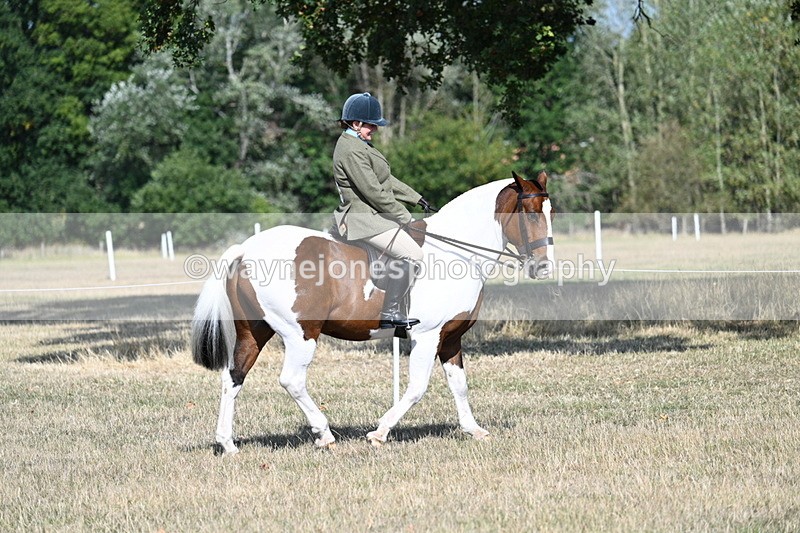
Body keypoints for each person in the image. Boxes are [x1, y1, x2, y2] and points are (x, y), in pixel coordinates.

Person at [332, 92, 433, 329]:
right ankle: (390, 313)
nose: (375, 130)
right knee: (413, 255)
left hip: (372, 215)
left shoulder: (358, 144)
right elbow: (373, 192)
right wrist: (405, 217)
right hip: (363, 218)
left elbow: (386, 180)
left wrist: (416, 198)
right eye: (371, 125)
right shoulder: (351, 150)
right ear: (355, 124)